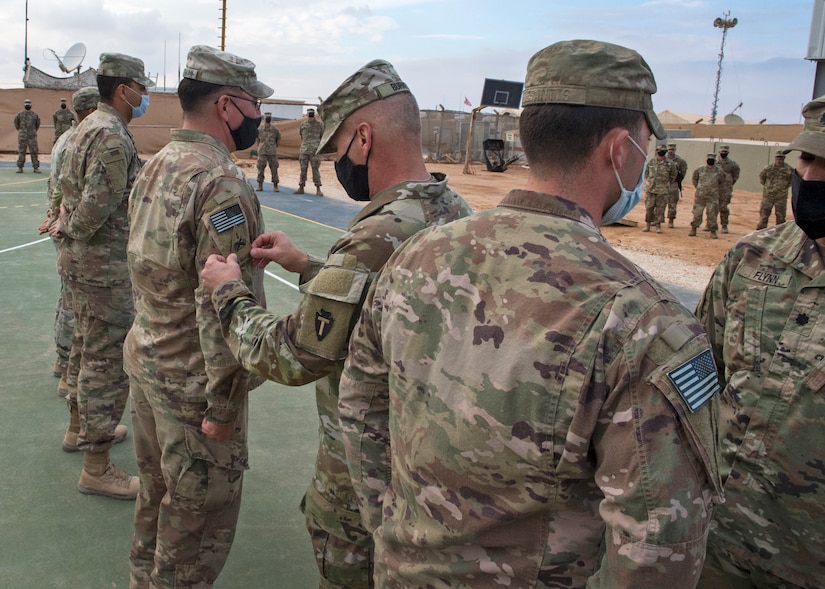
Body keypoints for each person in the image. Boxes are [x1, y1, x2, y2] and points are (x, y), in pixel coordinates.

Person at [339, 39, 722, 588]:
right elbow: (659, 548)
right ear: (620, 149)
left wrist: (394, 537)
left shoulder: (416, 258)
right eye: (645, 144)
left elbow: (360, 413)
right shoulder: (646, 324)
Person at [199, 59, 473, 588]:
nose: (338, 165)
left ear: (364, 138)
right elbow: (393, 304)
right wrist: (309, 268)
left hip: (369, 479)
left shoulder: (377, 234)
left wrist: (227, 291)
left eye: (340, 149)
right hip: (437, 470)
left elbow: (293, 355)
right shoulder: (453, 211)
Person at [123, 45, 272, 589]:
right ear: (229, 105)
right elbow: (224, 306)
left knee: (156, 496)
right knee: (195, 526)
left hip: (148, 366)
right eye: (255, 104)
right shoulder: (220, 183)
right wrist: (224, 406)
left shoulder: (155, 163)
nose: (259, 116)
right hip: (194, 390)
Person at [695, 95, 825, 588]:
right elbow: (698, 383)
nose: (811, 178)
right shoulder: (752, 259)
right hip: (713, 543)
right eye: (807, 159)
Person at [48, 52, 153, 499]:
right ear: (123, 88)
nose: (144, 95)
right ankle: (97, 465)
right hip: (104, 268)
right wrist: (68, 225)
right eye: (141, 87)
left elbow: (70, 196)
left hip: (83, 265)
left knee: (84, 349)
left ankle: (78, 430)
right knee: (106, 363)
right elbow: (95, 207)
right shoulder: (111, 136)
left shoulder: (84, 128)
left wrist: (64, 225)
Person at [38, 86, 100, 399]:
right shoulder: (85, 139)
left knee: (67, 298)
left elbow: (55, 186)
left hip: (60, 224)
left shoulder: (66, 138)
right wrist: (61, 221)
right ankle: (67, 368)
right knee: (77, 304)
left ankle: (61, 362)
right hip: (72, 229)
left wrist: (52, 214)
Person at [642, 142, 676, 233]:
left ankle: (658, 226)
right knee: (649, 207)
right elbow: (646, 173)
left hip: (662, 189)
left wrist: (665, 184)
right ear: (657, 151)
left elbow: (673, 176)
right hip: (651, 189)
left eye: (663, 151)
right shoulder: (651, 162)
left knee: (660, 208)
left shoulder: (670, 164)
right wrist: (650, 182)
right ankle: (648, 225)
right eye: (660, 150)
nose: (661, 152)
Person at [690, 152, 725, 238]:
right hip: (700, 196)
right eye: (709, 159)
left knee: (712, 214)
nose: (710, 161)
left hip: (713, 197)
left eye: (712, 160)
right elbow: (695, 179)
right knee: (697, 213)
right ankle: (694, 229)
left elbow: (722, 182)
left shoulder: (719, 171)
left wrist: (715, 190)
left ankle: (713, 231)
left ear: (715, 161)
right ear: (706, 160)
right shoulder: (700, 169)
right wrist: (699, 187)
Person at [756, 151, 794, 230]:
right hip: (768, 196)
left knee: (780, 217)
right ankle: (760, 232)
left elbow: (792, 180)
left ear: (784, 158)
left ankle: (780, 234)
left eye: (781, 158)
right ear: (775, 158)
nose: (779, 160)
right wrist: (768, 187)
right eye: (778, 158)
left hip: (781, 197)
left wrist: (783, 188)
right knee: (764, 215)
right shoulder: (768, 168)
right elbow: (762, 178)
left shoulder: (789, 169)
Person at [296, 107, 323, 195]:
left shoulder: (319, 125)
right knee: (303, 170)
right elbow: (301, 136)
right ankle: (301, 187)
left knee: (315, 170)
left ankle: (318, 188)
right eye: (309, 114)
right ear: (307, 115)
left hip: (315, 151)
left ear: (314, 115)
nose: (310, 116)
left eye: (312, 114)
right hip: (304, 150)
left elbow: (322, 136)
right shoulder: (303, 125)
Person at [715, 144, 740, 233]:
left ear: (728, 152)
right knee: (712, 207)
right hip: (714, 188)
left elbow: (736, 175)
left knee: (723, 207)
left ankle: (724, 225)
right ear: (719, 152)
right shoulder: (714, 162)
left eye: (725, 152)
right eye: (722, 152)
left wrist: (729, 183)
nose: (723, 153)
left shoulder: (732, 164)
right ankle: (711, 224)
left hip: (726, 189)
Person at [255, 111, 281, 191]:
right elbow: (257, 140)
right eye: (266, 118)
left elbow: (278, 139)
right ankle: (260, 185)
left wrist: (274, 147)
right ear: (264, 119)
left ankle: (275, 186)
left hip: (272, 152)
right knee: (260, 168)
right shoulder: (260, 130)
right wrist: (260, 147)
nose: (268, 119)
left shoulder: (275, 130)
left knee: (274, 168)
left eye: (269, 118)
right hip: (262, 152)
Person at [14, 98, 40, 173]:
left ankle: (36, 167)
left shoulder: (35, 115)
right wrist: (21, 131)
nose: (27, 105)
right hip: (23, 137)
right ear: (24, 105)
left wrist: (33, 131)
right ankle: (20, 167)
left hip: (32, 137)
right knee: (22, 152)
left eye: (29, 104)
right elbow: (16, 124)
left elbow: (37, 124)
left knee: (34, 152)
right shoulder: (19, 115)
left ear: (31, 105)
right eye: (26, 104)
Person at [666, 141, 688, 228]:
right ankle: (657, 220)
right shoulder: (663, 159)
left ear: (675, 150)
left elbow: (683, 172)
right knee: (659, 203)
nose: (671, 151)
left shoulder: (680, 161)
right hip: (663, 184)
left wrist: (677, 180)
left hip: (673, 185)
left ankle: (671, 220)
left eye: (672, 149)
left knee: (672, 204)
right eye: (669, 149)